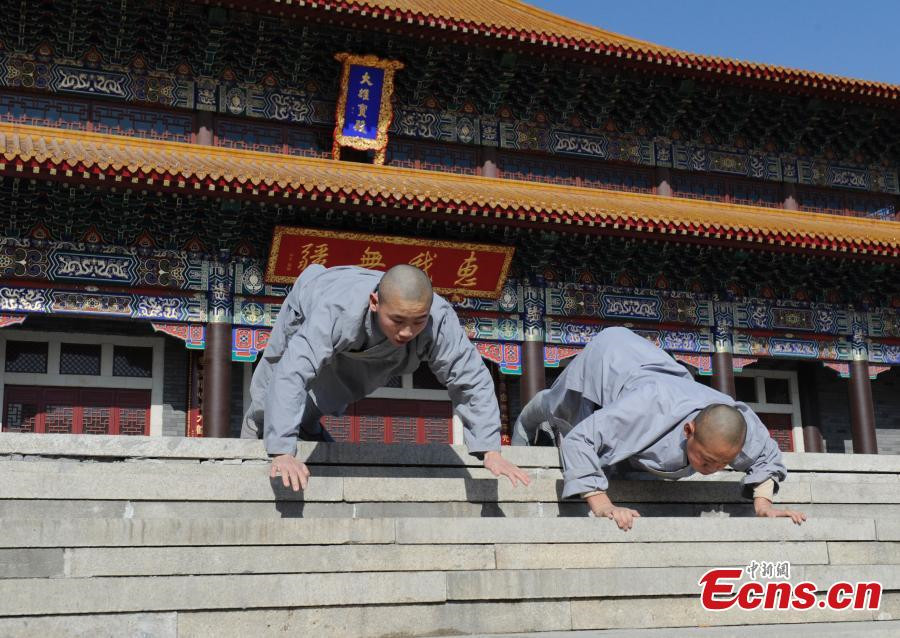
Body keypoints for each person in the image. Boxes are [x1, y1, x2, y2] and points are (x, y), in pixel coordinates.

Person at [241, 263, 530, 491]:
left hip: (379, 351)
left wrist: (489, 449)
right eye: (398, 320)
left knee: (336, 391)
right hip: (309, 302)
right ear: (375, 302)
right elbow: (294, 371)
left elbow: (471, 378)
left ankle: (308, 426)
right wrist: (282, 451)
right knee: (272, 387)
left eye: (418, 321)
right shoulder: (337, 309)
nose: (407, 331)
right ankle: (254, 431)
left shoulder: (438, 319)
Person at [512, 326, 806, 531]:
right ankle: (532, 414)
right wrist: (602, 504)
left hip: (660, 371)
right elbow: (580, 440)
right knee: (561, 409)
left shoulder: (740, 423)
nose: (713, 470)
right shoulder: (644, 408)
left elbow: (767, 457)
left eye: (724, 463)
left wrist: (763, 505)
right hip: (609, 358)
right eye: (707, 461)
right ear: (689, 430)